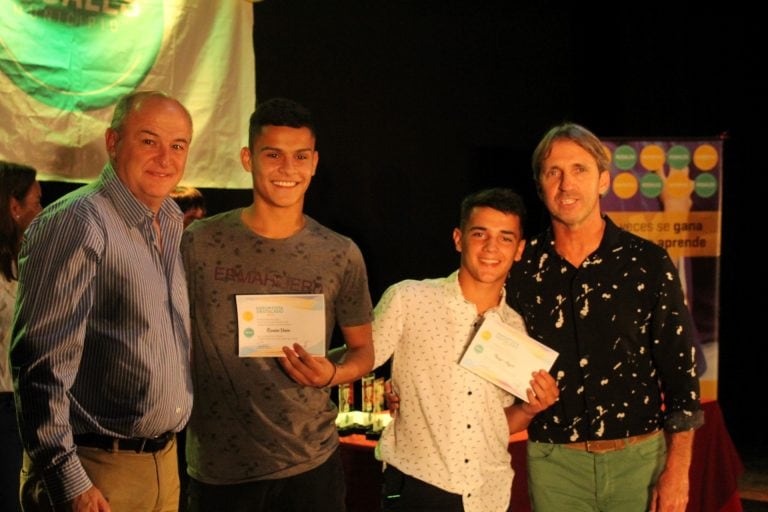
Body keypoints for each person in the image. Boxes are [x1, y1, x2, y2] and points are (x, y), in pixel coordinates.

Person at [181, 97, 374, 512]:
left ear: (315, 162)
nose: (288, 169)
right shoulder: (198, 242)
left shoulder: (340, 253)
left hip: (311, 464)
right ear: (248, 158)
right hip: (220, 469)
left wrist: (332, 375)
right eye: (274, 155)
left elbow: (364, 350)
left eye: (300, 156)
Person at [10, 90, 194, 512]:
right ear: (113, 143)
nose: (166, 157)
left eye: (178, 145)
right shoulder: (78, 221)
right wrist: (68, 479)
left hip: (161, 467)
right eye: (149, 140)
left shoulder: (167, 221)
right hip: (96, 472)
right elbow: (38, 363)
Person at [507, 123, 704, 512]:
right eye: (554, 172)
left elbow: (682, 376)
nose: (566, 185)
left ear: (602, 180)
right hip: (555, 465)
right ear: (539, 184)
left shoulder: (648, 264)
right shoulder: (520, 268)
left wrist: (678, 470)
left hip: (640, 461)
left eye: (579, 169)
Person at [372, 188, 559, 512]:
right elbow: (358, 360)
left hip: (488, 493)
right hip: (420, 487)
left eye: (505, 238)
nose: (491, 248)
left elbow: (494, 420)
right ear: (459, 239)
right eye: (479, 234)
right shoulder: (409, 299)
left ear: (519, 249)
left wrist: (529, 410)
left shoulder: (515, 329)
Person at [1, 161, 42, 512]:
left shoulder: (21, 262)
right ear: (14, 208)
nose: (41, 212)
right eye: (37, 202)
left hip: (18, 403)